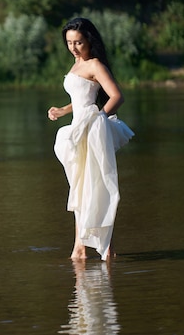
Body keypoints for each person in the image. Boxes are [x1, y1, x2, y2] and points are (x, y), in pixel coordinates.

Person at [47, 17, 134, 261]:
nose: (74, 48)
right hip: (77, 128)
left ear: (89, 41)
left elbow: (117, 96)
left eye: (79, 43)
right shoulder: (76, 63)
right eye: (69, 42)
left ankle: (88, 248)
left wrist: (100, 118)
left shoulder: (95, 65)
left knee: (91, 187)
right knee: (81, 188)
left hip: (91, 129)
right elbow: (81, 99)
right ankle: (88, 248)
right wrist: (62, 111)